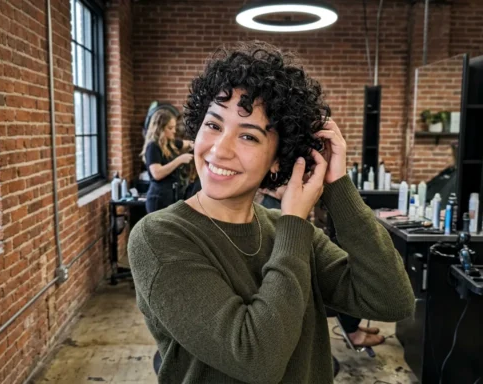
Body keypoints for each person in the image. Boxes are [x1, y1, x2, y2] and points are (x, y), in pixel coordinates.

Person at [128, 41, 415, 384]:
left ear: (278, 159)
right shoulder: (159, 237)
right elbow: (255, 359)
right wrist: (295, 222)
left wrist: (338, 187)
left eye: (248, 136)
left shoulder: (285, 229)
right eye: (214, 125)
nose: (220, 149)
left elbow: (392, 301)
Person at [258, 187, 385, 348]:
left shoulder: (278, 206)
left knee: (345, 269)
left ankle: (351, 326)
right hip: (287, 296)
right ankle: (353, 333)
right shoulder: (276, 211)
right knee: (346, 279)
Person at [140, 109, 194, 213]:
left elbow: (188, 143)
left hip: (171, 196)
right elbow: (157, 173)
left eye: (174, 127)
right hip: (158, 198)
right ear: (160, 129)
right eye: (170, 128)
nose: (174, 131)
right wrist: (179, 160)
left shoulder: (170, 143)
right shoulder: (153, 146)